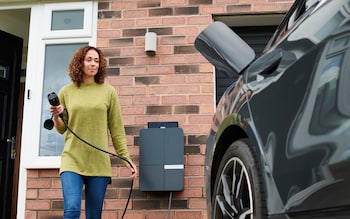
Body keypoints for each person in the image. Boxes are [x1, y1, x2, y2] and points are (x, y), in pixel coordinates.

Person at [50, 46, 137, 219]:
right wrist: (56, 116)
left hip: (98, 163)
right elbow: (61, 129)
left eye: (96, 61)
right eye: (89, 60)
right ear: (79, 63)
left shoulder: (108, 92)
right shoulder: (66, 92)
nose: (93, 64)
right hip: (72, 159)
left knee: (94, 215)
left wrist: (125, 158)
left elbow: (117, 129)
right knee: (72, 209)